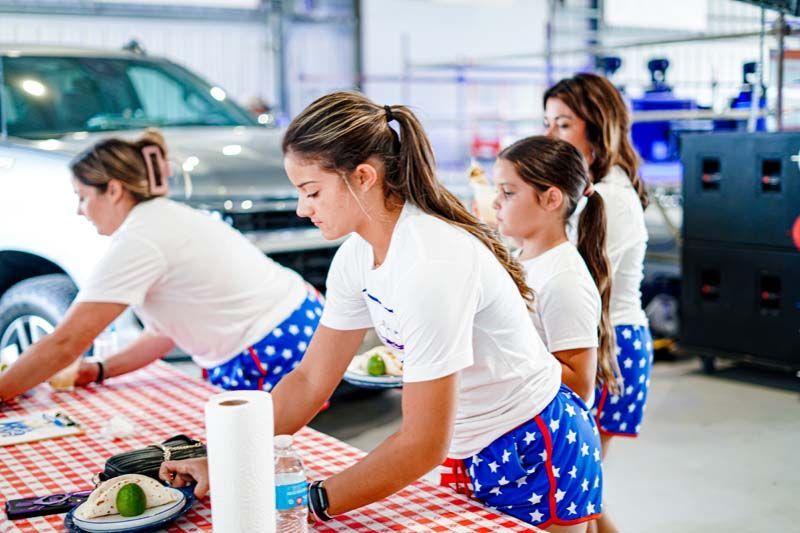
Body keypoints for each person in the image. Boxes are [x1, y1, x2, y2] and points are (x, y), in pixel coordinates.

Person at [160, 91, 603, 531]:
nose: (302, 208)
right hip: (471, 445)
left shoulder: (430, 263)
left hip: (534, 443)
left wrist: (308, 501)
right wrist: (225, 462)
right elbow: (311, 379)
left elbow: (421, 444)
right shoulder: (358, 256)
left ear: (364, 176)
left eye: (311, 191)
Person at [0, 130, 322, 402]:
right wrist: (101, 370)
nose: (79, 211)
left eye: (82, 196)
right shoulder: (163, 216)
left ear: (113, 190)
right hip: (298, 324)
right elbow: (165, 332)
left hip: (271, 345)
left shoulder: (139, 240)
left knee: (261, 454)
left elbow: (66, 343)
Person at [544, 73, 653, 532]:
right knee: (580, 496)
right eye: (547, 122)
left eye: (563, 124)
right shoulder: (590, 190)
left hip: (608, 347)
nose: (549, 135)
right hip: (588, 341)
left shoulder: (611, 199)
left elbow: (577, 281)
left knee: (576, 496)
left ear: (597, 126)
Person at [492, 135, 620, 405]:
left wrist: (498, 349)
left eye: (508, 192)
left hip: (540, 431)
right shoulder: (518, 260)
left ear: (551, 199)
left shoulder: (564, 280)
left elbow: (579, 386)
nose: (495, 203)